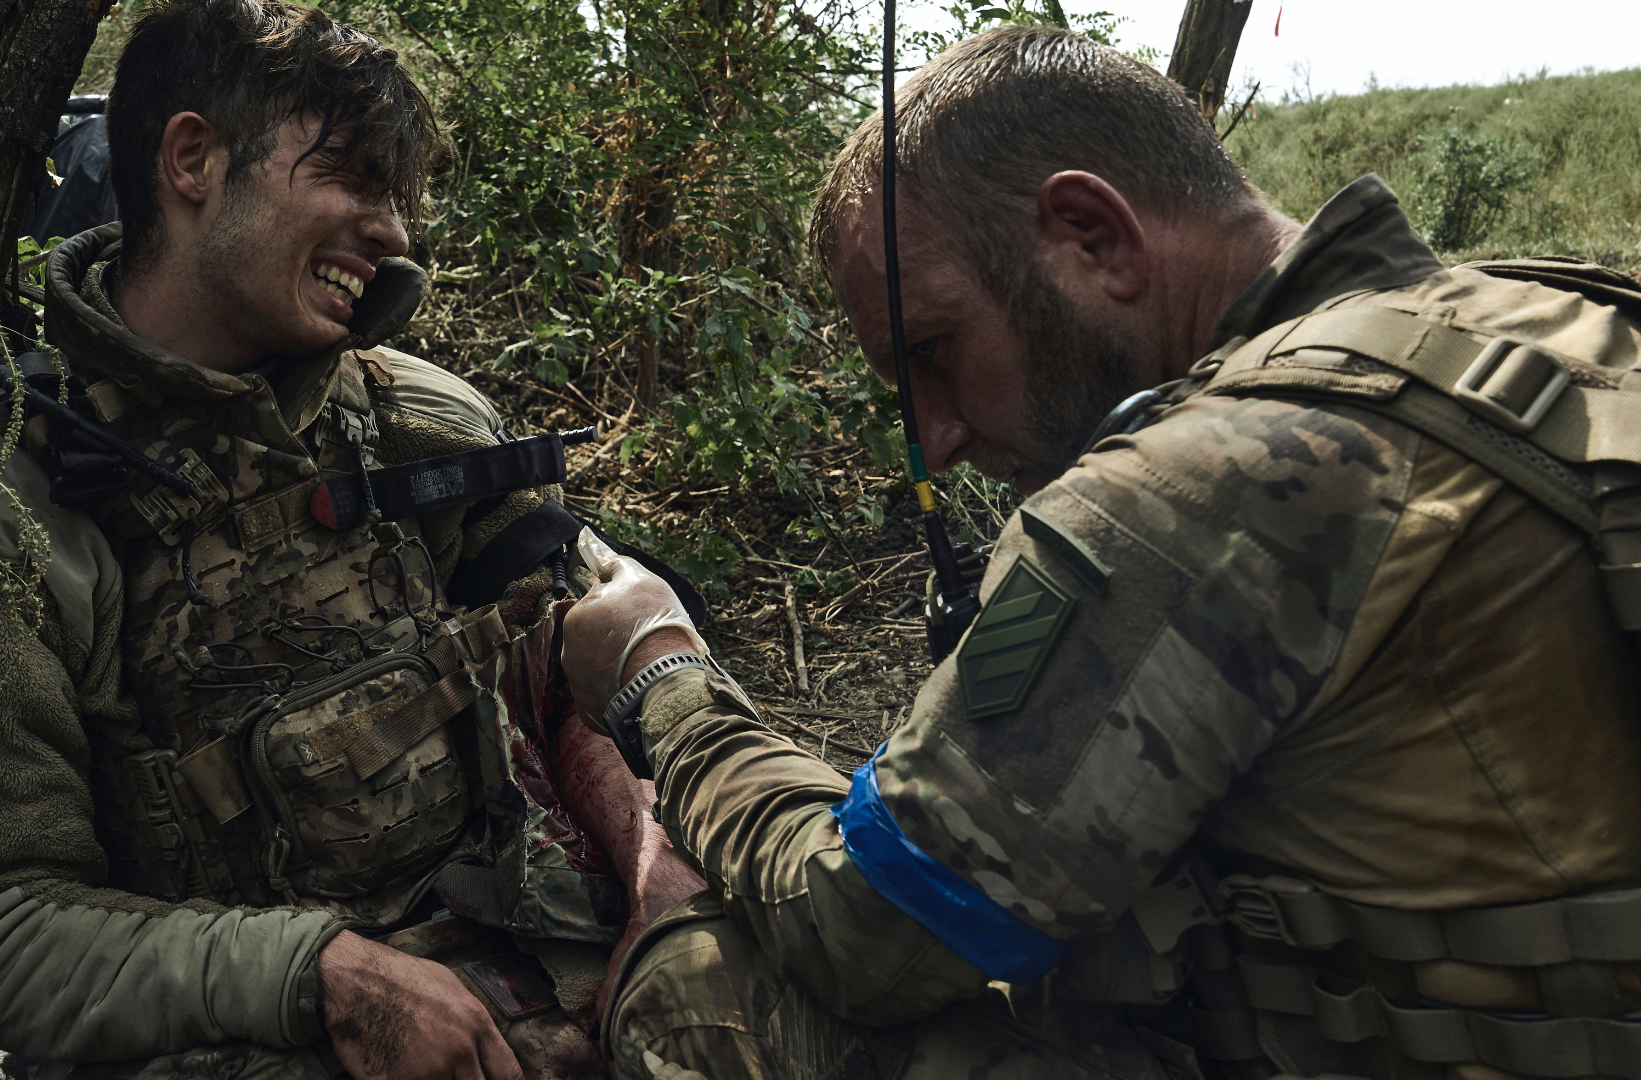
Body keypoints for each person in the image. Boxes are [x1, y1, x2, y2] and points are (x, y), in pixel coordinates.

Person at [558, 24, 1641, 1080]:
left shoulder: (1206, 479)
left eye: (932, 353)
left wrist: (666, 683)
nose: (935, 435)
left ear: (1094, 237)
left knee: (702, 985)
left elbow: (870, 928)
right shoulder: (1561, 325)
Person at [0, 1, 690, 1076]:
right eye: (352, 178)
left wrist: (653, 858)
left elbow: (572, 650)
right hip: (255, 1030)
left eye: (396, 199)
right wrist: (319, 977)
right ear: (195, 159)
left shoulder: (416, 417)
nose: (394, 234)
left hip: (534, 952)